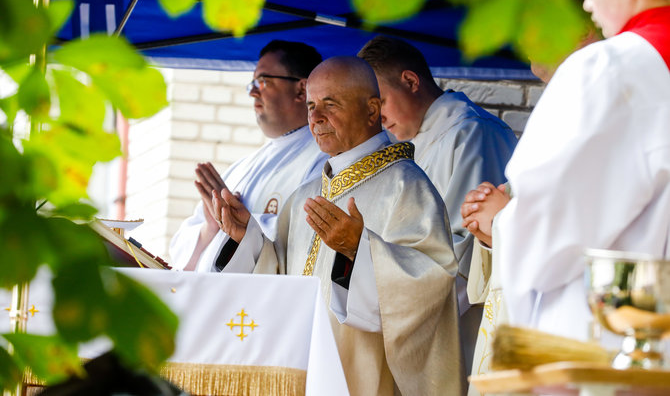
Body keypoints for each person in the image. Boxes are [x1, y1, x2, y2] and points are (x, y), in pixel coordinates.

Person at [211, 56, 465, 396]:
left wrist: (359, 251)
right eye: (312, 105)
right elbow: (283, 280)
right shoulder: (304, 194)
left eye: (330, 104)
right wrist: (248, 238)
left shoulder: (405, 187)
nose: (315, 118)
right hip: (302, 371)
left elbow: (431, 286)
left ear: (372, 110)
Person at [492, 0, 670, 343]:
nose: (588, 5)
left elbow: (547, 230)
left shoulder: (607, 67)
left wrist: (503, 222)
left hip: (603, 334)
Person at [357, 36, 517, 374]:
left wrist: (403, 323)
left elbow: (466, 247)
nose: (378, 118)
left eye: (381, 101)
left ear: (411, 81)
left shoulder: (470, 132)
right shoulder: (413, 142)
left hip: (449, 327)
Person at [168, 40, 328, 271]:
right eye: (252, 83)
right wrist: (212, 227)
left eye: (263, 81)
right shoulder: (240, 169)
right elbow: (181, 254)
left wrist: (239, 222)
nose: (252, 92)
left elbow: (306, 234)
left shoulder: (323, 159)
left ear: (301, 90)